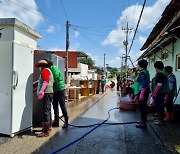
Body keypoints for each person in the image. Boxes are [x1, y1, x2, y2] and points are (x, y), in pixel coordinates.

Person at [44, 59, 69, 128]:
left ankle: (66, 121)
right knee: (55, 105)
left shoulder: (54, 68)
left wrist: (45, 84)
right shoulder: (47, 69)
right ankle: (56, 121)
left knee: (62, 105)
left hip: (60, 89)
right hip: (53, 90)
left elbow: (53, 79)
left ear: (48, 64)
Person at [35, 60, 54, 137]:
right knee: (48, 110)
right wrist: (36, 83)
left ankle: (46, 132)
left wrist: (41, 91)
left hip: (46, 93)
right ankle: (48, 128)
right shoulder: (48, 70)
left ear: (41, 66)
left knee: (46, 111)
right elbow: (43, 80)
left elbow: (46, 81)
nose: (39, 68)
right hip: (50, 92)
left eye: (39, 66)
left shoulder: (45, 70)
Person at [132, 59, 150, 128]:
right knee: (143, 107)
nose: (137, 65)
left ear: (140, 65)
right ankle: (142, 121)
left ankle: (143, 123)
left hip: (142, 91)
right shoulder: (145, 71)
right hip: (142, 91)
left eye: (137, 64)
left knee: (142, 107)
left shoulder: (142, 73)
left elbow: (144, 84)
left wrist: (142, 94)